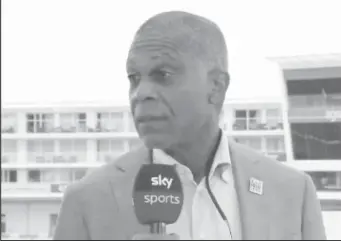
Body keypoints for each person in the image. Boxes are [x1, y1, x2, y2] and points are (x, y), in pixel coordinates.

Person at [53, 11, 326, 240]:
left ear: (216, 87)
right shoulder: (87, 200)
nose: (141, 93)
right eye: (134, 77)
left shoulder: (293, 192)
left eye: (163, 74)